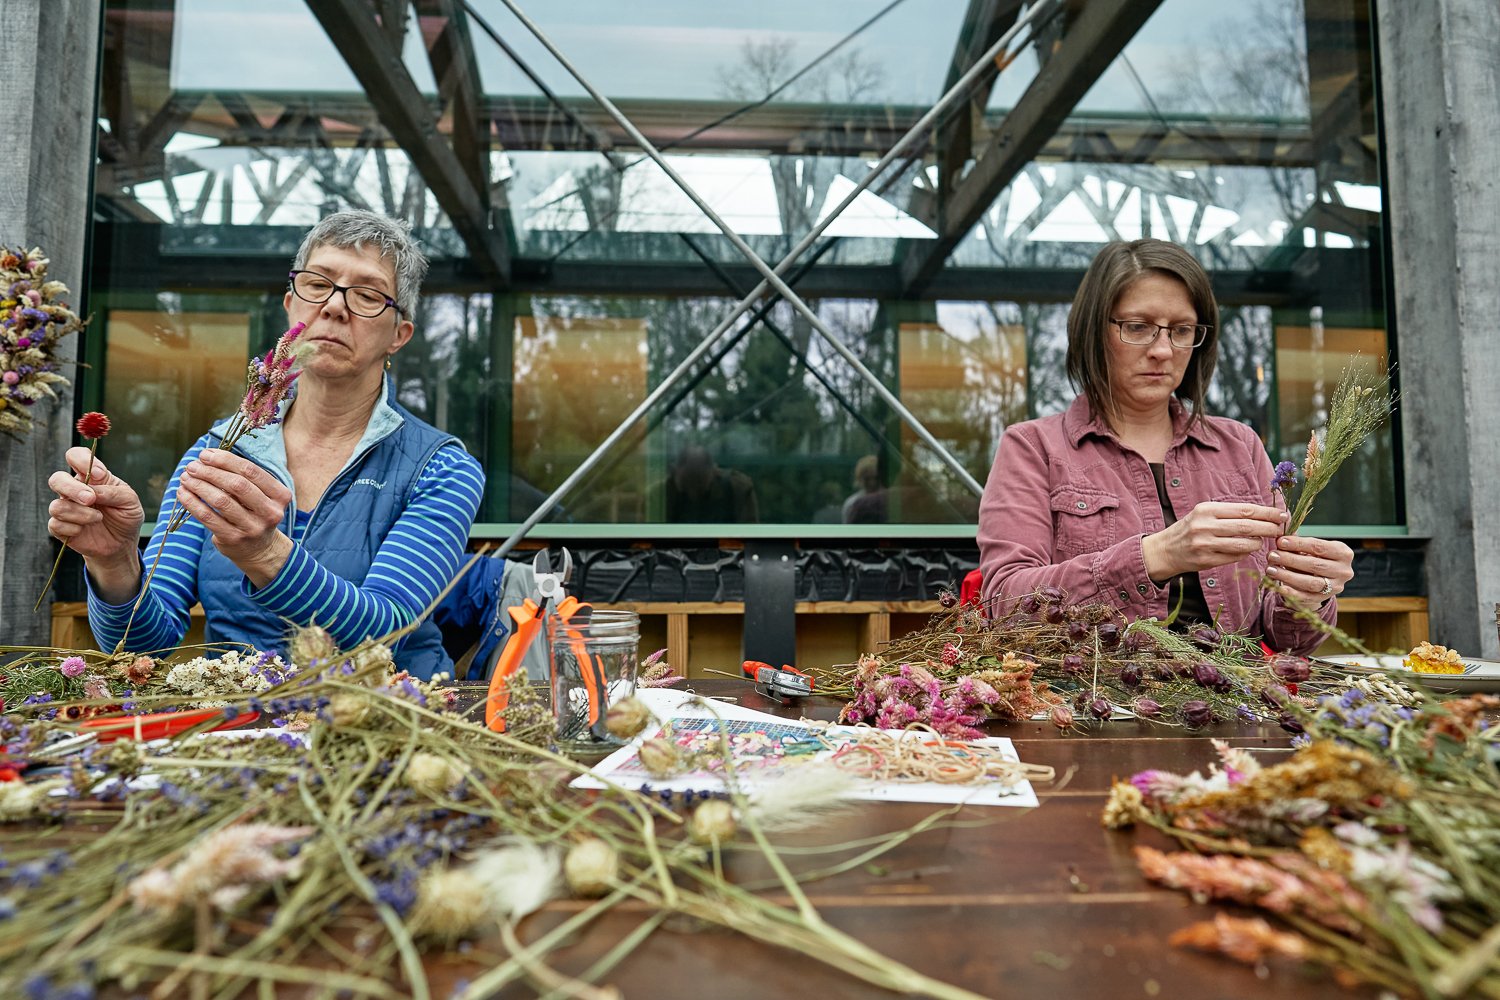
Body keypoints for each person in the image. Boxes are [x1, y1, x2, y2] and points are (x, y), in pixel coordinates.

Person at [46, 211, 485, 679]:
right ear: (291, 304)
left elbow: (387, 632)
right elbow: (142, 646)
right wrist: (114, 563)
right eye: (318, 284)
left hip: (388, 724)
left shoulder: (441, 469)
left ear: (399, 335)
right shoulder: (218, 452)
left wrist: (265, 555)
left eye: (368, 295)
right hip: (238, 726)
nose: (335, 307)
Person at [977, 239, 1353, 655]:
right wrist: (1155, 556)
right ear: (1093, 330)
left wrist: (1307, 597)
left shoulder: (1239, 447)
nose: (1162, 350)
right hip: (1094, 706)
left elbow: (1288, 640)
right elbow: (1005, 608)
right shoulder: (1034, 448)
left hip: (1240, 704)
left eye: (1181, 330)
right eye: (1137, 327)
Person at [660, 444, 759, 523]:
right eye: (686, 486)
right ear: (674, 472)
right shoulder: (660, 494)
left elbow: (750, 534)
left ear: (714, 472)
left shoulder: (738, 489)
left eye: (699, 486)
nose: (693, 494)